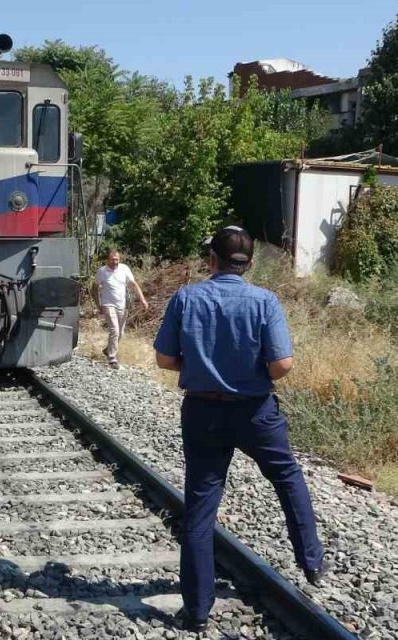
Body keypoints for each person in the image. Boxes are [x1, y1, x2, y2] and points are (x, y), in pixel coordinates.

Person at [153, 226, 327, 629]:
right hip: (256, 413)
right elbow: (282, 365)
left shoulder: (187, 298)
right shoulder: (265, 301)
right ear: (248, 263)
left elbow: (164, 359)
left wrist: (198, 368)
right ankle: (312, 561)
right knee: (287, 477)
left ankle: (196, 612)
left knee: (200, 506)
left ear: (212, 259)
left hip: (203, 413)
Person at [95, 249, 147, 369]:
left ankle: (108, 350)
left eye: (117, 259)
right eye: (113, 260)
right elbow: (94, 289)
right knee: (115, 330)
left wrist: (143, 300)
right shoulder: (102, 272)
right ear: (107, 260)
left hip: (122, 305)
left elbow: (134, 285)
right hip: (108, 304)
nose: (115, 262)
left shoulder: (124, 269)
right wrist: (99, 305)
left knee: (121, 333)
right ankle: (112, 359)